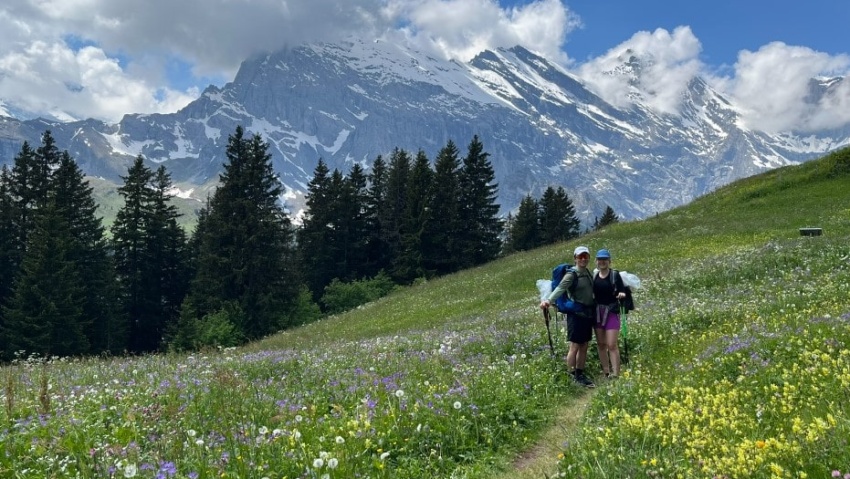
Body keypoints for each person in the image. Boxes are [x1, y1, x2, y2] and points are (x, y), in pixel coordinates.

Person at [540, 246, 596, 387]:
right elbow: (560, 288)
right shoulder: (572, 274)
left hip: (587, 314)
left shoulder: (587, 272)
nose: (583, 259)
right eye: (580, 256)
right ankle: (571, 377)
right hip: (576, 315)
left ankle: (580, 374)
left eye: (585, 256)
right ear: (575, 258)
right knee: (575, 346)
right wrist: (549, 300)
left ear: (588, 257)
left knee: (584, 345)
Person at [591, 249, 626, 379]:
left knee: (611, 344)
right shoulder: (594, 276)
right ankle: (606, 372)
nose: (602, 262)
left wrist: (621, 294)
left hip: (611, 311)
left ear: (609, 261)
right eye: (600, 259)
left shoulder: (614, 275)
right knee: (601, 344)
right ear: (596, 261)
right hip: (598, 313)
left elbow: (622, 290)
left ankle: (616, 374)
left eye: (605, 259)